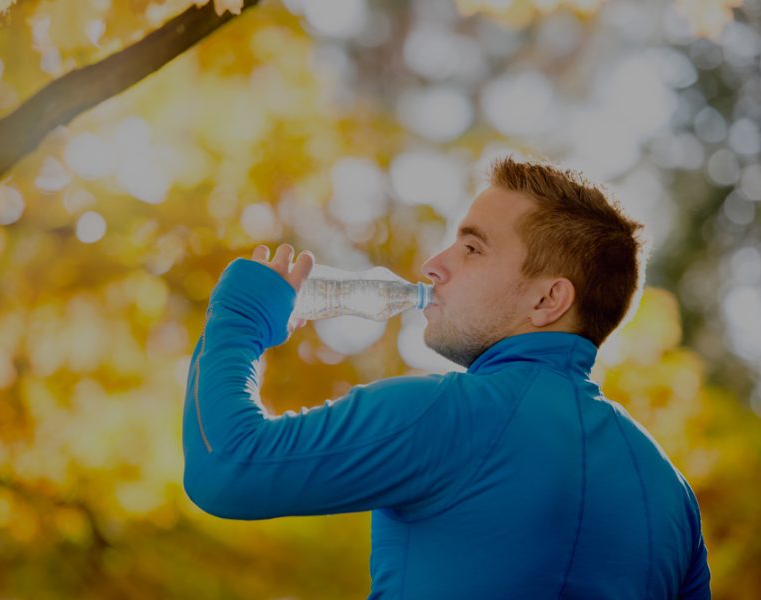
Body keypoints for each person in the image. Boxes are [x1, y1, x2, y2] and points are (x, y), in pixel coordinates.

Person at [182, 156, 711, 599]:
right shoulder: (673, 498)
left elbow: (227, 467)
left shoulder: (447, 415)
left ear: (548, 299)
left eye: (472, 248)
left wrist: (239, 318)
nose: (434, 265)